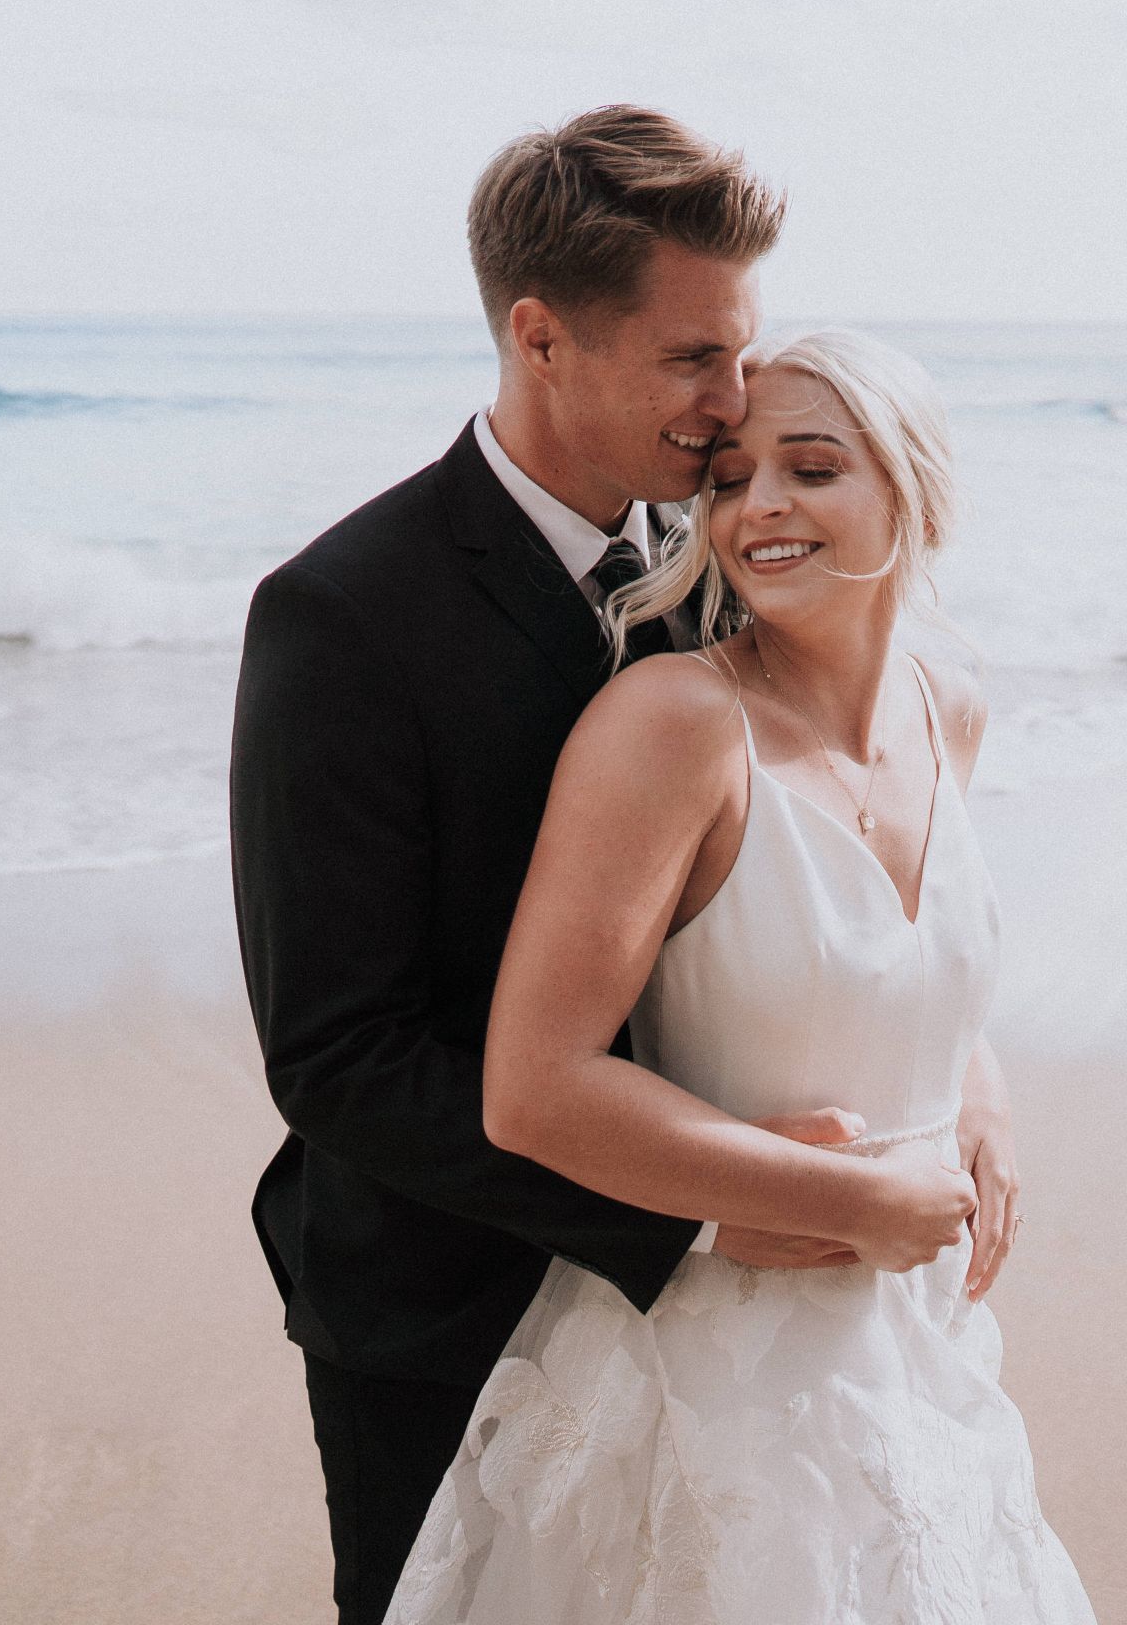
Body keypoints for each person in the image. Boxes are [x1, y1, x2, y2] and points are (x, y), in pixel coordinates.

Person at [230, 107, 880, 1625]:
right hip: (441, 1306)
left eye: (742, 350)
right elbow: (337, 1055)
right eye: (690, 360)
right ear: (540, 337)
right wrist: (693, 1207)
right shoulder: (341, 617)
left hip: (711, 1317)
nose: (734, 407)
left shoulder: (727, 566)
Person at [384, 327, 1096, 1620]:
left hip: (920, 1340)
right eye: (727, 479)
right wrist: (856, 1199)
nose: (759, 505)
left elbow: (897, 962)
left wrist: (975, 1092)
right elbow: (534, 1090)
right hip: (717, 1365)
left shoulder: (952, 711)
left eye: (812, 468)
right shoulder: (671, 729)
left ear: (915, 491)